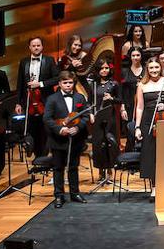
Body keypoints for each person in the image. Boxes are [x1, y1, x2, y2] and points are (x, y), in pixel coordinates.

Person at [43, 71, 91, 208]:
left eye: (70, 83)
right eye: (65, 83)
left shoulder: (80, 97)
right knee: (58, 167)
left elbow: (86, 116)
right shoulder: (52, 99)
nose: (68, 85)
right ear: (59, 84)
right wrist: (59, 129)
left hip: (76, 139)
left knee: (73, 166)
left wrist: (78, 128)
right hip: (58, 139)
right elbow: (47, 118)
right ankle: (59, 195)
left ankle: (75, 193)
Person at [134, 56, 164, 196]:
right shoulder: (142, 85)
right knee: (151, 154)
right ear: (147, 69)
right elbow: (140, 107)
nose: (154, 70)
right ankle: (154, 187)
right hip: (148, 122)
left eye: (156, 67)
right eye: (151, 68)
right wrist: (137, 127)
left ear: (161, 68)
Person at [15, 36, 58, 157]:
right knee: (32, 129)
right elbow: (20, 84)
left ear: (42, 47)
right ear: (29, 47)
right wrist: (18, 103)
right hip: (29, 101)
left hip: (45, 101)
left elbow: (57, 78)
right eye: (33, 45)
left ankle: (44, 156)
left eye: (38, 45)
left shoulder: (49, 60)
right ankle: (37, 157)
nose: (36, 47)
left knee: (45, 129)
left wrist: (40, 84)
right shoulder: (24, 61)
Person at [88, 58, 121, 182]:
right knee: (98, 144)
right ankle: (100, 171)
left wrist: (112, 98)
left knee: (109, 143)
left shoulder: (114, 84)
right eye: (102, 68)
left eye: (106, 68)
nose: (104, 70)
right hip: (97, 117)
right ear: (98, 69)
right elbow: (89, 102)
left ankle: (109, 170)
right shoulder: (93, 84)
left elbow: (120, 100)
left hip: (109, 117)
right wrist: (90, 114)